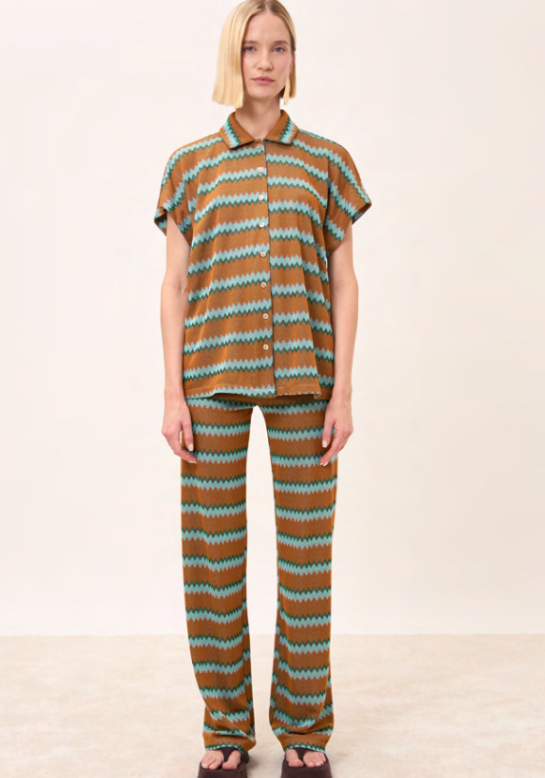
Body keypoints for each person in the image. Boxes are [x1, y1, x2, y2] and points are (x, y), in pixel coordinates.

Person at [153, 1, 372, 776]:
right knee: (212, 558)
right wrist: (172, 394)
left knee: (306, 563)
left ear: (293, 59)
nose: (266, 62)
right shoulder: (189, 166)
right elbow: (175, 284)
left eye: (279, 48)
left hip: (307, 380)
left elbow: (344, 283)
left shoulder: (328, 162)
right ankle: (226, 726)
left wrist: (343, 392)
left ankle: (305, 726)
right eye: (252, 48)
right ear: (233, 57)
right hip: (209, 380)